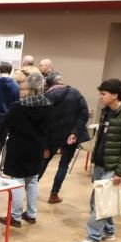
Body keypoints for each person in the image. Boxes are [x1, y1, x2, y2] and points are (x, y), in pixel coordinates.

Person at [77, 79, 121, 242]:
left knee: (100, 203)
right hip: (101, 163)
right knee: (100, 201)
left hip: (113, 167)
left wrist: (120, 172)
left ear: (115, 95)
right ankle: (109, 230)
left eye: (103, 94)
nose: (100, 97)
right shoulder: (107, 112)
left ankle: (93, 238)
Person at [1, 71, 51, 228]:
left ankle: (15, 216)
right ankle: (31, 214)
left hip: (18, 148)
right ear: (42, 85)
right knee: (33, 180)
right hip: (37, 148)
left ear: (27, 86)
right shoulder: (49, 105)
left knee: (17, 181)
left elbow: (6, 121)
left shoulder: (19, 107)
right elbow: (50, 129)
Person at [41, 73, 90, 203]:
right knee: (63, 165)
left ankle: (30, 187)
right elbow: (84, 114)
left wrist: (45, 145)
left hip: (51, 136)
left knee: (43, 161)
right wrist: (75, 132)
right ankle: (54, 195)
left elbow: (42, 122)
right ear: (59, 81)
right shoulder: (75, 92)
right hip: (70, 136)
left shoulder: (47, 97)